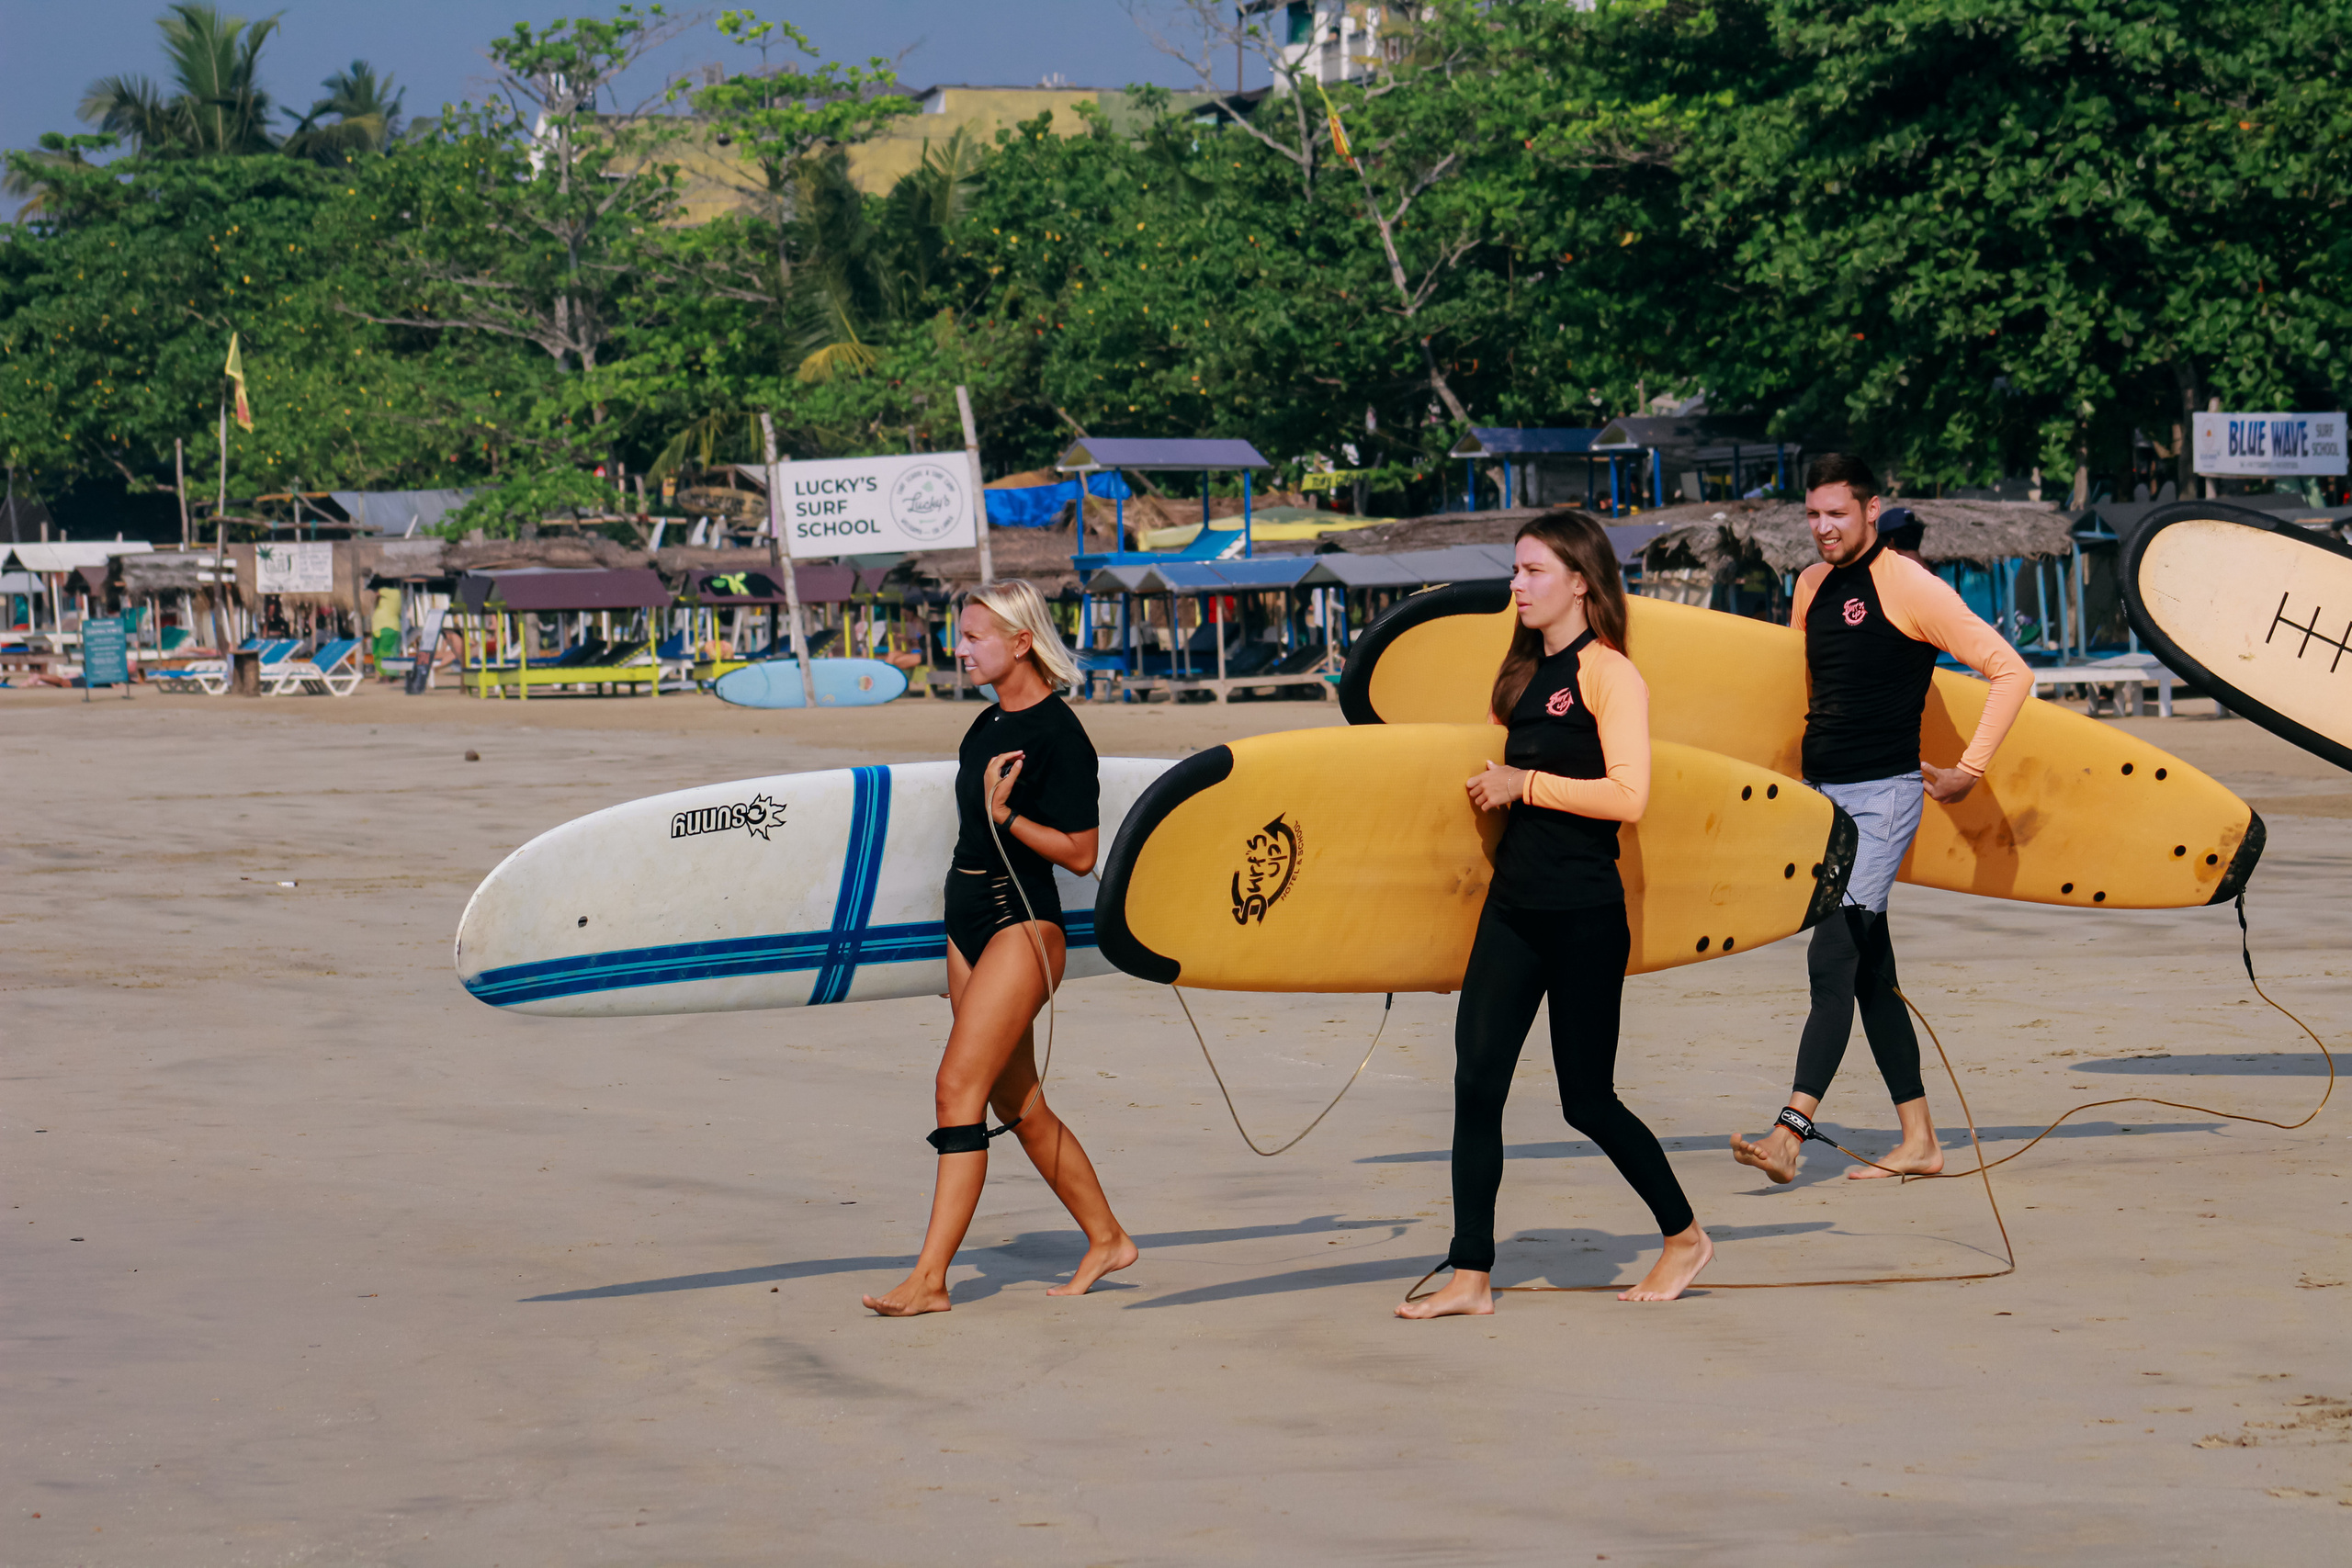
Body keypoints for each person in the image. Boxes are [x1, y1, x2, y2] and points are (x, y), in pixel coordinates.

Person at [1398, 511, 1713, 1319]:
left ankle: (1684, 1236)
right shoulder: (1519, 675)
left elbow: (1629, 795)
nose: (1517, 585)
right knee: (1476, 1084)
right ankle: (1472, 1275)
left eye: (1533, 571)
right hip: (1512, 911)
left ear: (1580, 580)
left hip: (1583, 914)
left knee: (1587, 1099)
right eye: (1515, 571)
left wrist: (1523, 783)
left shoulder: (1611, 674)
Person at [1730, 457, 2030, 1183]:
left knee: (1831, 957)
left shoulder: (1909, 586)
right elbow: (1803, 689)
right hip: (1821, 799)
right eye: (1813, 515)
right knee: (1871, 974)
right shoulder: (1809, 585)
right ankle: (1920, 1139)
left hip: (1883, 799)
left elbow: (2010, 670)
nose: (1823, 528)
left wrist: (1969, 771)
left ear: (1871, 510)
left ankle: (1789, 1133)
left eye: (1837, 513)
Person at [863, 581, 1137, 1314]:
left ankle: (929, 1278)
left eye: (974, 636)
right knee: (1017, 1099)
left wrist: (1005, 813)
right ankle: (1107, 1237)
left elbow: (1080, 855)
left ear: (1020, 642)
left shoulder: (1062, 736)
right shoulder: (984, 723)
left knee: (958, 1088)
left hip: (1022, 923)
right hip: (967, 919)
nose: (960, 648)